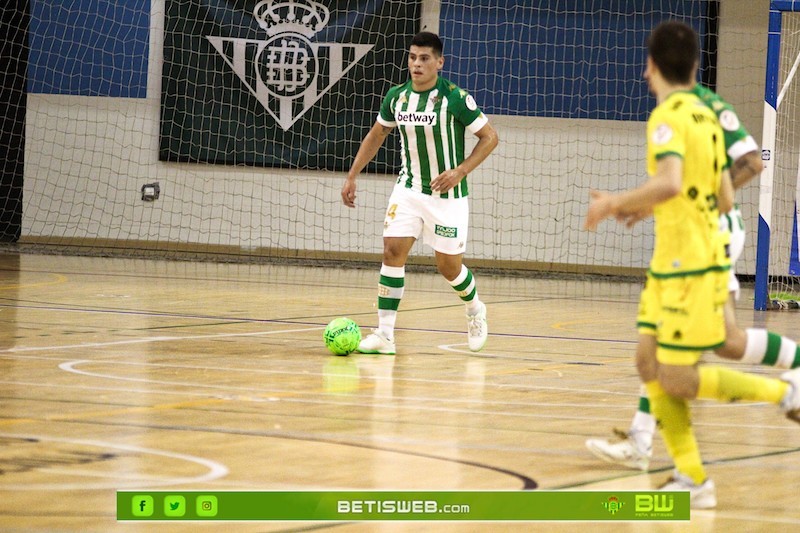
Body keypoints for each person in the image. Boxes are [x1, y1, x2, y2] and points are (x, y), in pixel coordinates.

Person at [584, 20, 800, 509]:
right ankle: (692, 480)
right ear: (696, 66)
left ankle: (784, 394)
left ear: (651, 66)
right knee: (647, 363)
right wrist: (655, 206)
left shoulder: (668, 117)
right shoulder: (707, 113)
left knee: (681, 376)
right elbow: (724, 195)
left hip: (690, 267)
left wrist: (616, 202)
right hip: (671, 262)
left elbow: (671, 182)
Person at [341, 32, 499, 355]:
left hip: (447, 197)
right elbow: (377, 135)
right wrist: (352, 175)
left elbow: (490, 137)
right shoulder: (397, 98)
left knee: (448, 267)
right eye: (412, 57)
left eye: (424, 58)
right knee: (392, 251)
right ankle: (385, 336)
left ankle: (474, 309)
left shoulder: (454, 98)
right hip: (409, 189)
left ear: (439, 62)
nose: (416, 64)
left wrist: (460, 171)